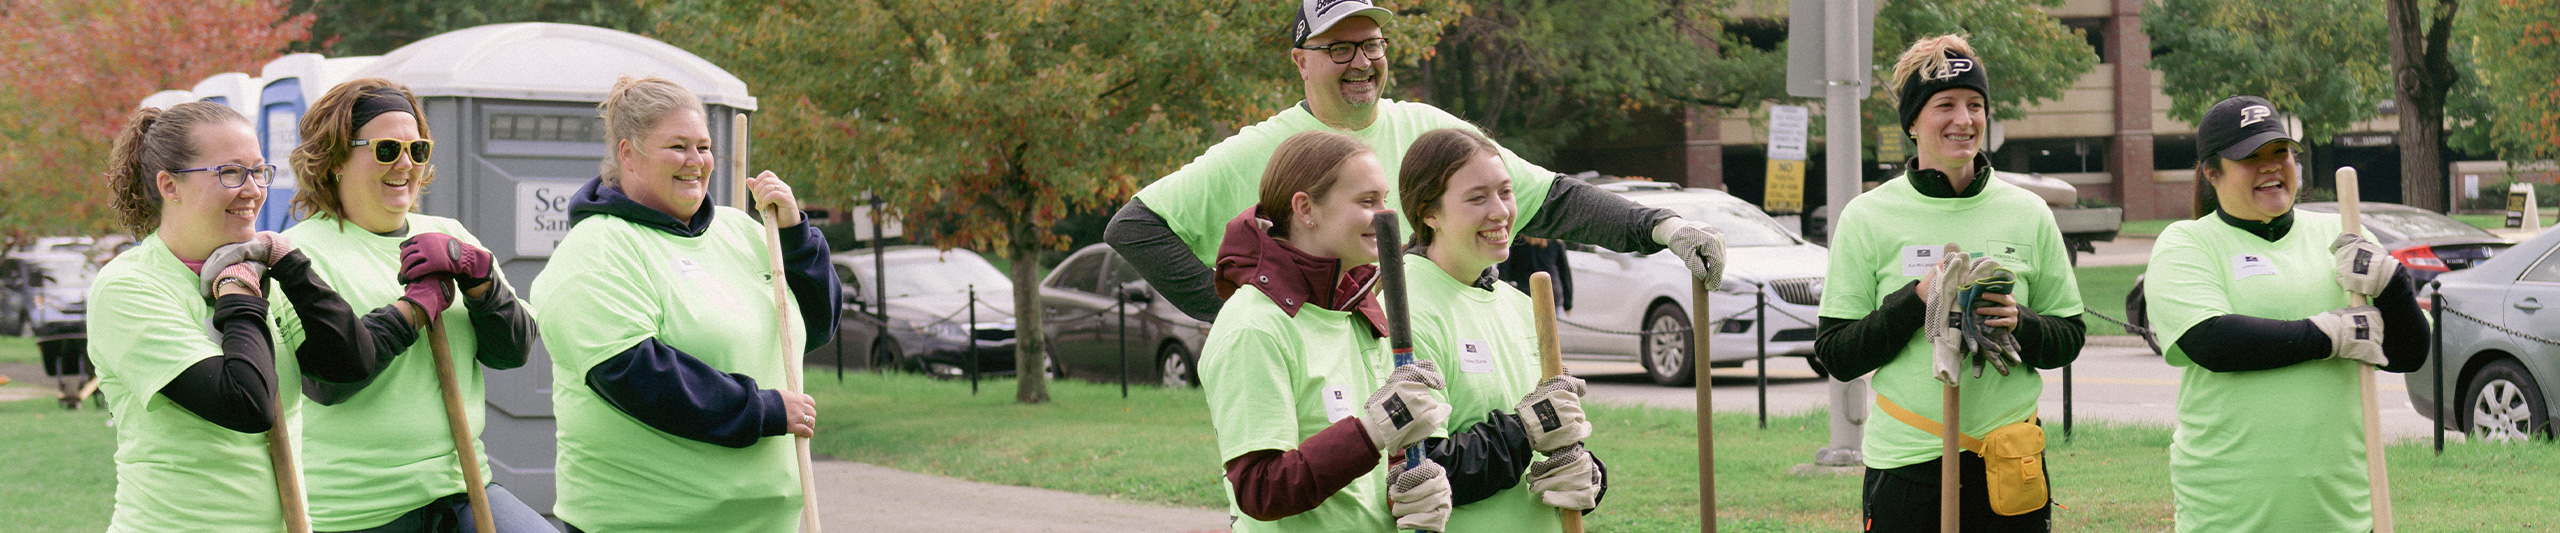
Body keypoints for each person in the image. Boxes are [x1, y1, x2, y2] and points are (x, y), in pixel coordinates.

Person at [1105, 0, 1725, 324]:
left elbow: (1551, 198)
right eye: (1339, 48)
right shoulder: (1260, 148)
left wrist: (1661, 228)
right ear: (1301, 61)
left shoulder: (1432, 128)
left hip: (1436, 371)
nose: (1361, 62)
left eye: (1371, 44)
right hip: (1331, 392)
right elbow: (1133, 227)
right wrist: (1231, 306)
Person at [529, 76, 840, 532]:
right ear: (627, 154)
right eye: (677, 147)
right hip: (645, 523)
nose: (696, 162)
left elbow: (814, 325)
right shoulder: (597, 249)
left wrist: (796, 238)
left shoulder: (743, 232)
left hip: (769, 523)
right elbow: (634, 374)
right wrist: (763, 410)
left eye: (704, 146)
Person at [1810, 35, 2087, 532]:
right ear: (1913, 122)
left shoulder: (2027, 213)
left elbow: (2068, 336)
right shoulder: (1868, 217)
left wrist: (2019, 322)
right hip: (1908, 469)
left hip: (2010, 464)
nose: (1964, 120)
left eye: (1975, 105)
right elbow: (1838, 353)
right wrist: (1917, 300)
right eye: (1945, 105)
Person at [88, 101, 379, 530]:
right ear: (170, 186)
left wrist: (293, 268)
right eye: (230, 173)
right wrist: (240, 296)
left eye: (259, 171)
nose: (253, 189)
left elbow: (350, 366)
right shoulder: (128, 289)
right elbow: (244, 404)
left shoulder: (263, 272)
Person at [278, 79, 550, 532]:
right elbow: (328, 380)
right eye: (387, 149)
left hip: (462, 488)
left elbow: (512, 352)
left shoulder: (451, 233)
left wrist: (481, 280)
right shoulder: (299, 255)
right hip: (355, 508)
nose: (406, 164)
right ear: (336, 158)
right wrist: (413, 311)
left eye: (417, 150)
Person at [2145, 95, 2427, 532]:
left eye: (2279, 152)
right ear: (2211, 172)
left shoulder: (2343, 233)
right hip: (2229, 513)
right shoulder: (2187, 243)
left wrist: (2393, 284)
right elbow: (2212, 341)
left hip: (2342, 510)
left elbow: (2410, 354)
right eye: (2249, 157)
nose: (2271, 166)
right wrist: (2328, 334)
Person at [1202, 130, 1455, 532]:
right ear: (1305, 208)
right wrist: (1371, 431)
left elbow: (1363, 478)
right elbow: (1260, 490)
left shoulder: (1359, 310)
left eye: (1385, 200)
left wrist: (1413, 490)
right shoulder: (1254, 326)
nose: (1385, 215)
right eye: (1367, 201)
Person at [1394, 128, 1607, 530]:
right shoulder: (1403, 309)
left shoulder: (1523, 306)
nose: (1501, 211)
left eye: (1505, 192)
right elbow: (1417, 471)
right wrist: (1528, 428)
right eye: (1477, 197)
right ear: (1428, 212)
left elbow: (1555, 442)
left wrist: (1587, 474)